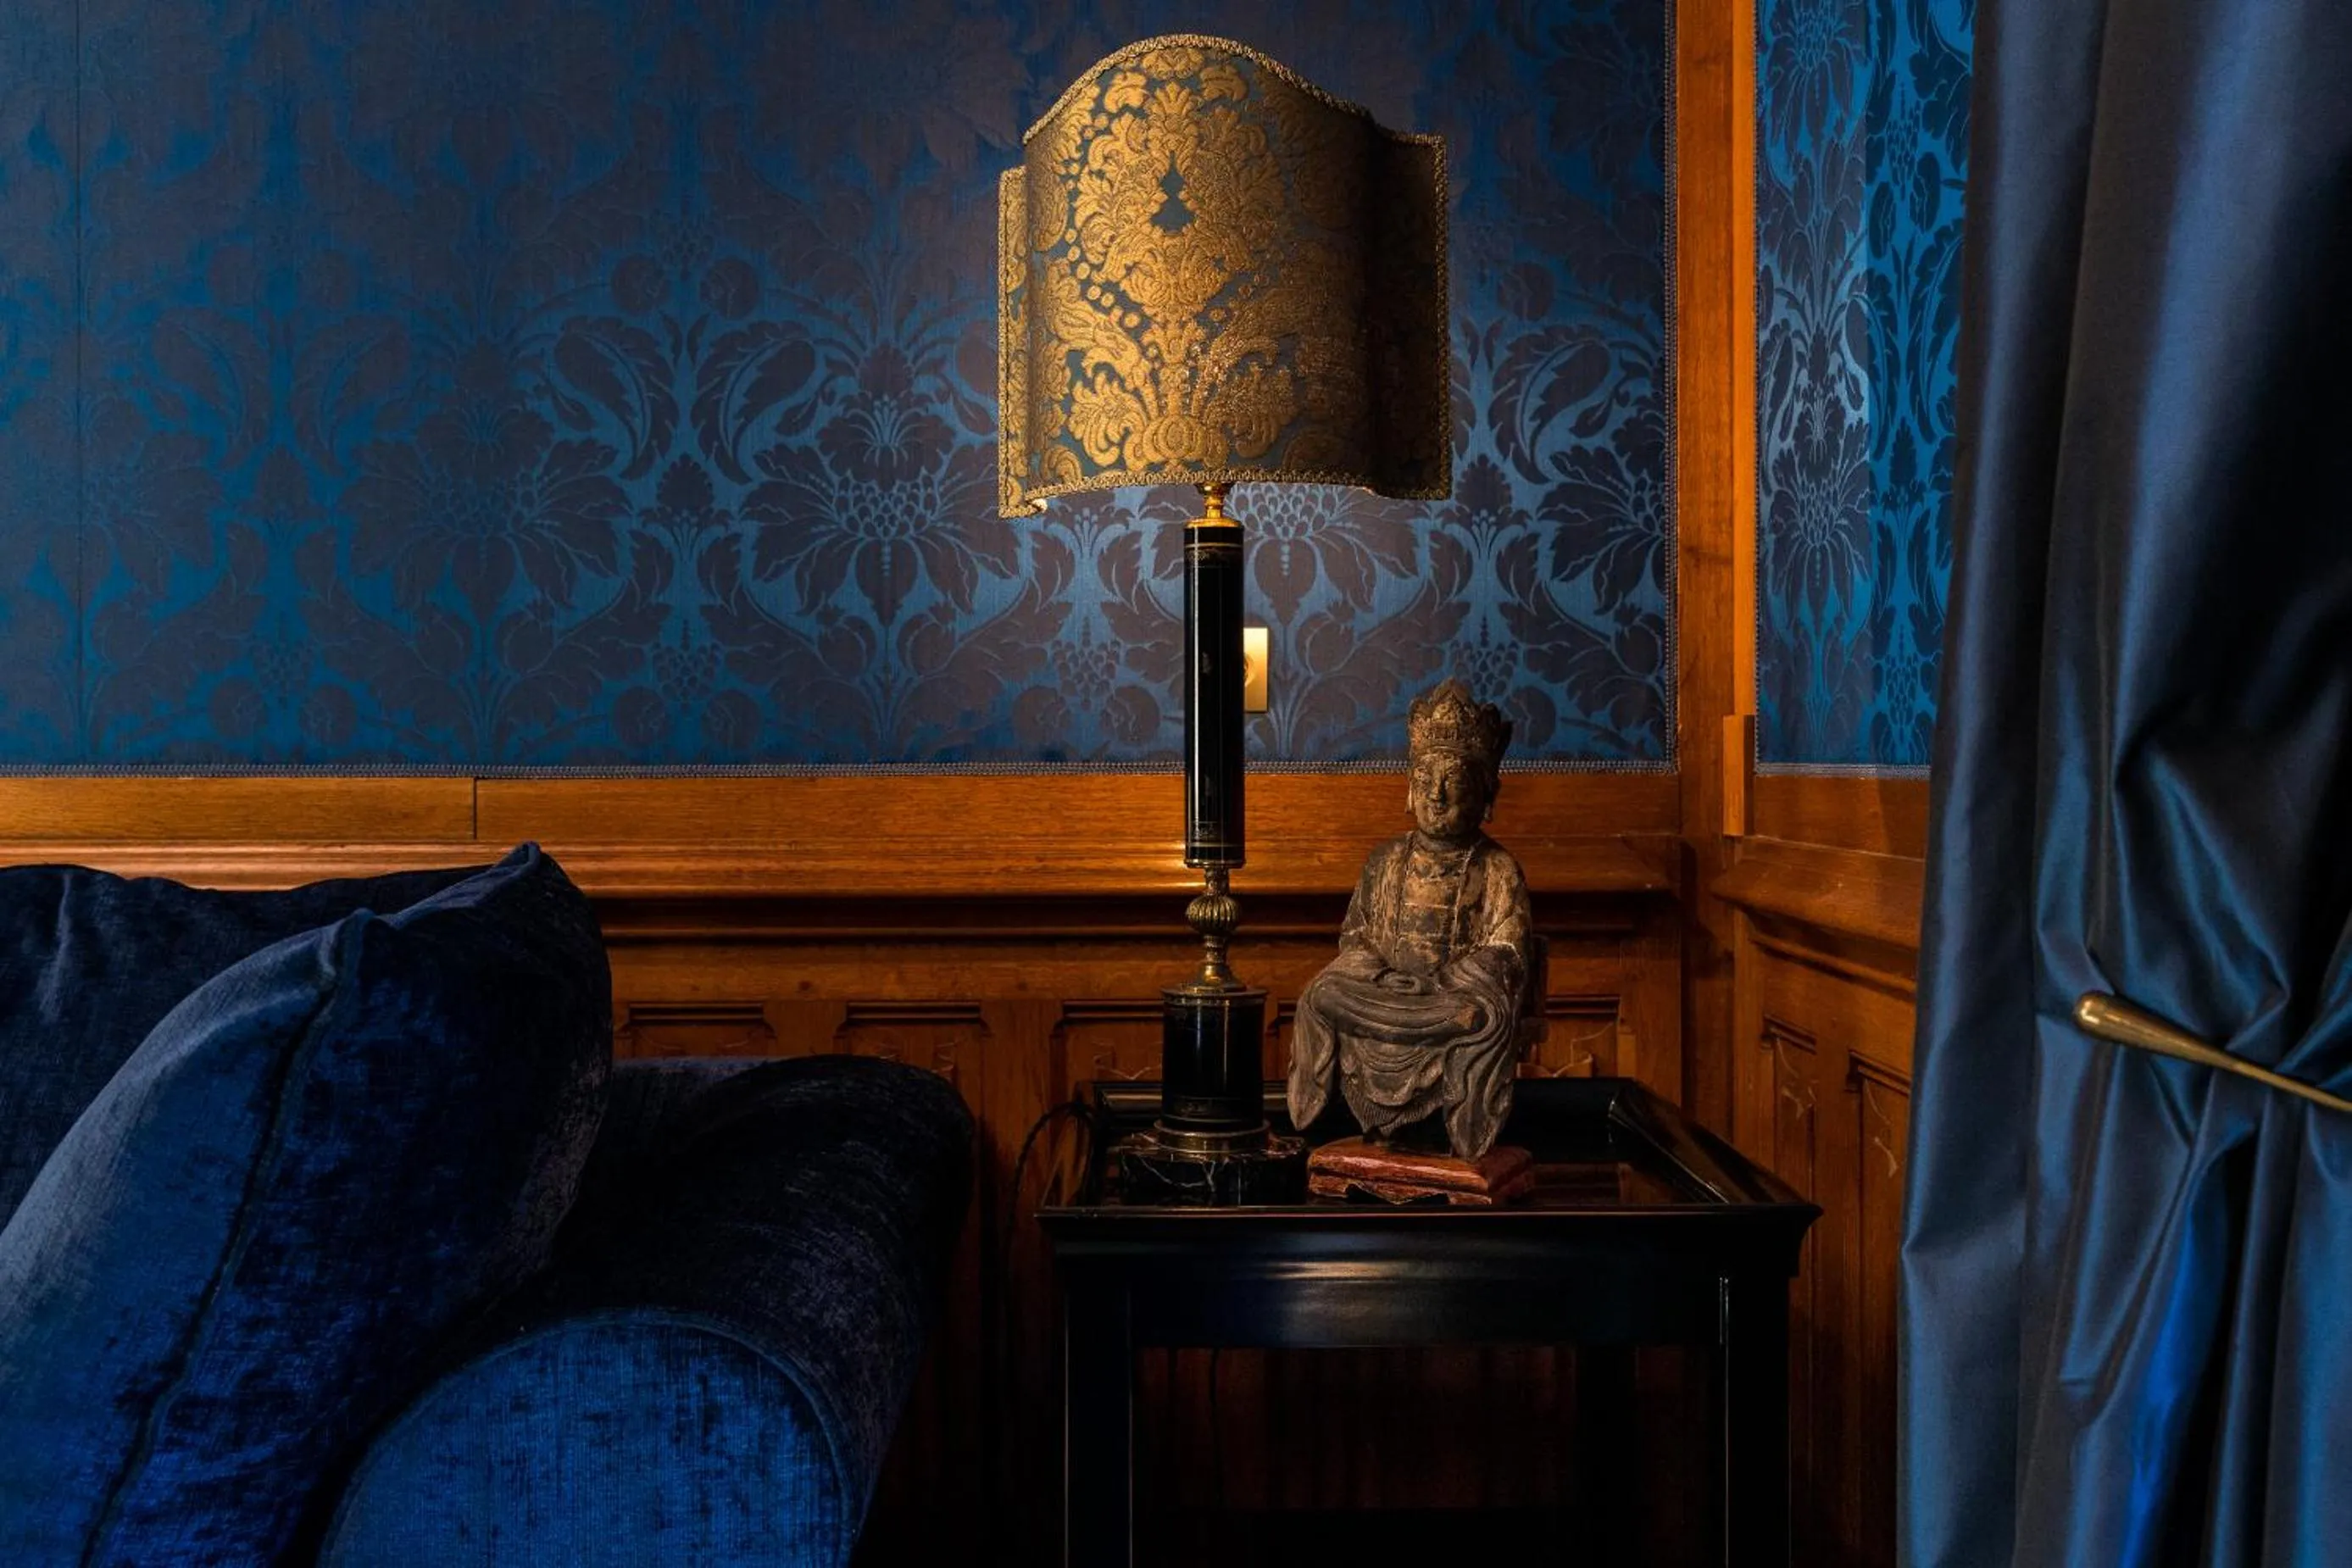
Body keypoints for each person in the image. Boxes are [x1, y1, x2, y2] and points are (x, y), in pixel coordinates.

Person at [1287, 679, 1533, 1159]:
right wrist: (1382, 976)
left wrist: (1438, 984)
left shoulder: (1497, 868)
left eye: (1454, 781)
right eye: (1425, 780)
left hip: (1449, 1000)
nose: (1436, 795)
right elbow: (1355, 936)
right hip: (1384, 994)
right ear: (1409, 787)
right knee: (1322, 994)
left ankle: (1457, 1133)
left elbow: (1507, 951)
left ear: (1485, 792)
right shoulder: (1384, 861)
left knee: (1481, 1016)